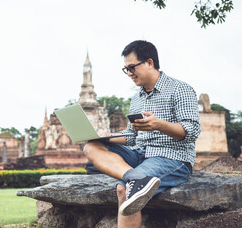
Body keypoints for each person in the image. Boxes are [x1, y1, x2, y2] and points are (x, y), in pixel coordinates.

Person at [83, 40, 201, 228]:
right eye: (126, 69)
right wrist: (106, 137)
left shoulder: (180, 89)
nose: (129, 73)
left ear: (149, 62)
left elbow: (192, 132)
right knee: (91, 146)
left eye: (131, 67)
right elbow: (132, 136)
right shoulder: (137, 98)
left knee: (125, 190)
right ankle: (136, 178)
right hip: (140, 155)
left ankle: (133, 182)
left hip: (170, 157)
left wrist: (159, 124)